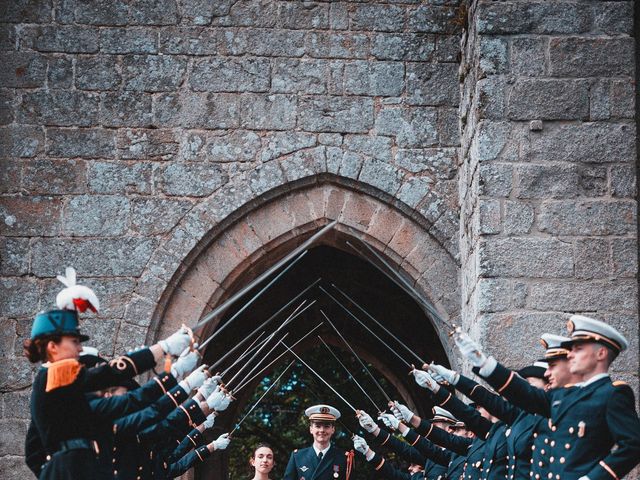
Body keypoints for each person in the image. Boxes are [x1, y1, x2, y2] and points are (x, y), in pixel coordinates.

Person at [24, 267, 194, 479]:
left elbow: (124, 400)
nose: (78, 349)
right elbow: (108, 374)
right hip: (69, 469)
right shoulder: (54, 376)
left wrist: (172, 374)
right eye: (74, 341)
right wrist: (162, 348)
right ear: (52, 347)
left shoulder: (62, 383)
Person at [455, 315, 640, 480]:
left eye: (579, 349)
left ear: (601, 353)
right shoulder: (564, 395)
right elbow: (523, 393)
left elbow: (633, 444)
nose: (571, 355)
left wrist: (594, 477)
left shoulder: (613, 393)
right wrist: (484, 362)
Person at [283, 404, 352, 480]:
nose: (322, 430)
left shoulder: (343, 458)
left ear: (333, 429)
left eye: (326, 426)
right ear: (311, 429)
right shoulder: (298, 457)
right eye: (318, 426)